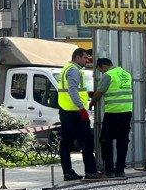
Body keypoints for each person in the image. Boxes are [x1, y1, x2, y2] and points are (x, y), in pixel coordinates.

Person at [57, 47, 101, 181]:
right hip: (75, 112)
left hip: (66, 111)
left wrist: (88, 94)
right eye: (85, 57)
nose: (87, 60)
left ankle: (68, 172)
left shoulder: (67, 68)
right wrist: (82, 108)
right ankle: (91, 172)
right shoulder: (74, 70)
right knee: (86, 142)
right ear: (77, 58)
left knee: (66, 143)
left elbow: (73, 90)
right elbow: (72, 90)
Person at [91, 56, 133, 178]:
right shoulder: (126, 74)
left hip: (113, 113)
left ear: (103, 66)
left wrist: (92, 102)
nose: (101, 72)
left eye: (100, 70)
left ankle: (108, 170)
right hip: (126, 112)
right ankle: (120, 170)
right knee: (122, 141)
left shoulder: (108, 75)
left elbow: (99, 92)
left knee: (105, 141)